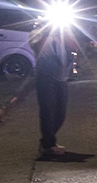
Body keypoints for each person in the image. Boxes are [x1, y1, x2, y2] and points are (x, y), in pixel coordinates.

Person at [29, 22, 77, 158]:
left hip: (62, 78)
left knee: (61, 113)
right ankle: (48, 145)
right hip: (46, 78)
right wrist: (47, 32)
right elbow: (38, 47)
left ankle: (47, 141)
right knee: (48, 112)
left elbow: (75, 47)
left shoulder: (63, 33)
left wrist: (65, 32)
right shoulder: (36, 34)